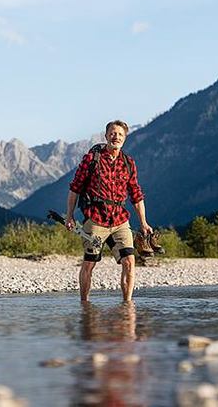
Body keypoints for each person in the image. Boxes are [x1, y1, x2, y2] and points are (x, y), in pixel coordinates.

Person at [66, 120, 153, 302]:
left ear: (125, 138)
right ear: (106, 136)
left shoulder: (128, 163)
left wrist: (144, 223)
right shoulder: (91, 160)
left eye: (120, 134)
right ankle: (85, 305)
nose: (116, 137)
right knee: (89, 263)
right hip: (96, 219)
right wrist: (69, 216)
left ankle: (127, 306)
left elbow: (136, 195)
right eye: (112, 133)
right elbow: (75, 188)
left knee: (129, 261)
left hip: (120, 220)